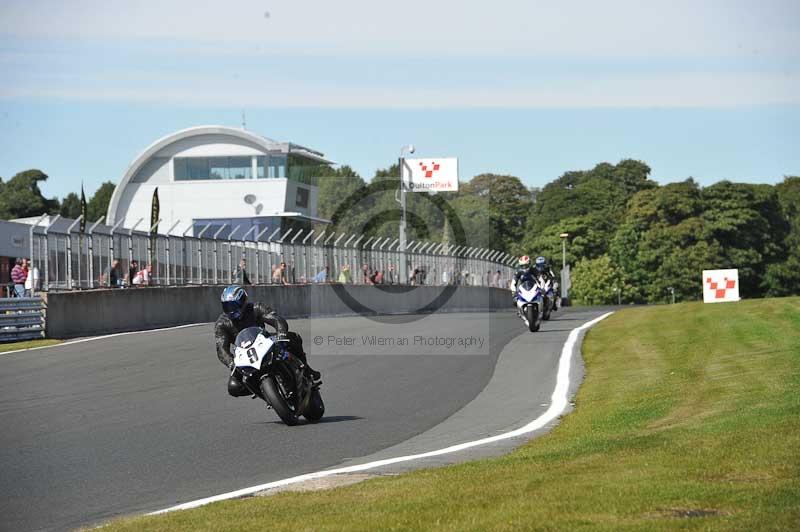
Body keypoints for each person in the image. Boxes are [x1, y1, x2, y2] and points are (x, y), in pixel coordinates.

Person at [214, 285, 321, 398]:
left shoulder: (256, 308)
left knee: (293, 338)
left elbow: (276, 319)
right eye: (227, 306)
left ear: (243, 301)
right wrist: (231, 362)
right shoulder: (222, 324)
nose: (230, 310)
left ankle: (306, 370)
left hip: (264, 342)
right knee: (233, 387)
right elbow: (221, 348)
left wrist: (281, 334)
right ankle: (265, 392)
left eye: (233, 305)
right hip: (243, 355)